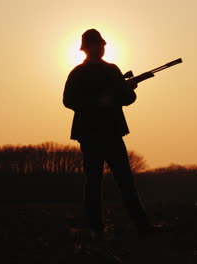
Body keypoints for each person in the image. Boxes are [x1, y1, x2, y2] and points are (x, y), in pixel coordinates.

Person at [63, 28, 151, 239]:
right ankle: (96, 228)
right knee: (93, 182)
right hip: (90, 134)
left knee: (126, 180)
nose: (100, 48)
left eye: (102, 45)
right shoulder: (78, 73)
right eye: (96, 45)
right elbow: (68, 100)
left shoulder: (112, 70)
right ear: (87, 48)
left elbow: (126, 100)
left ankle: (143, 227)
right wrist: (97, 103)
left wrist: (129, 90)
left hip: (112, 132)